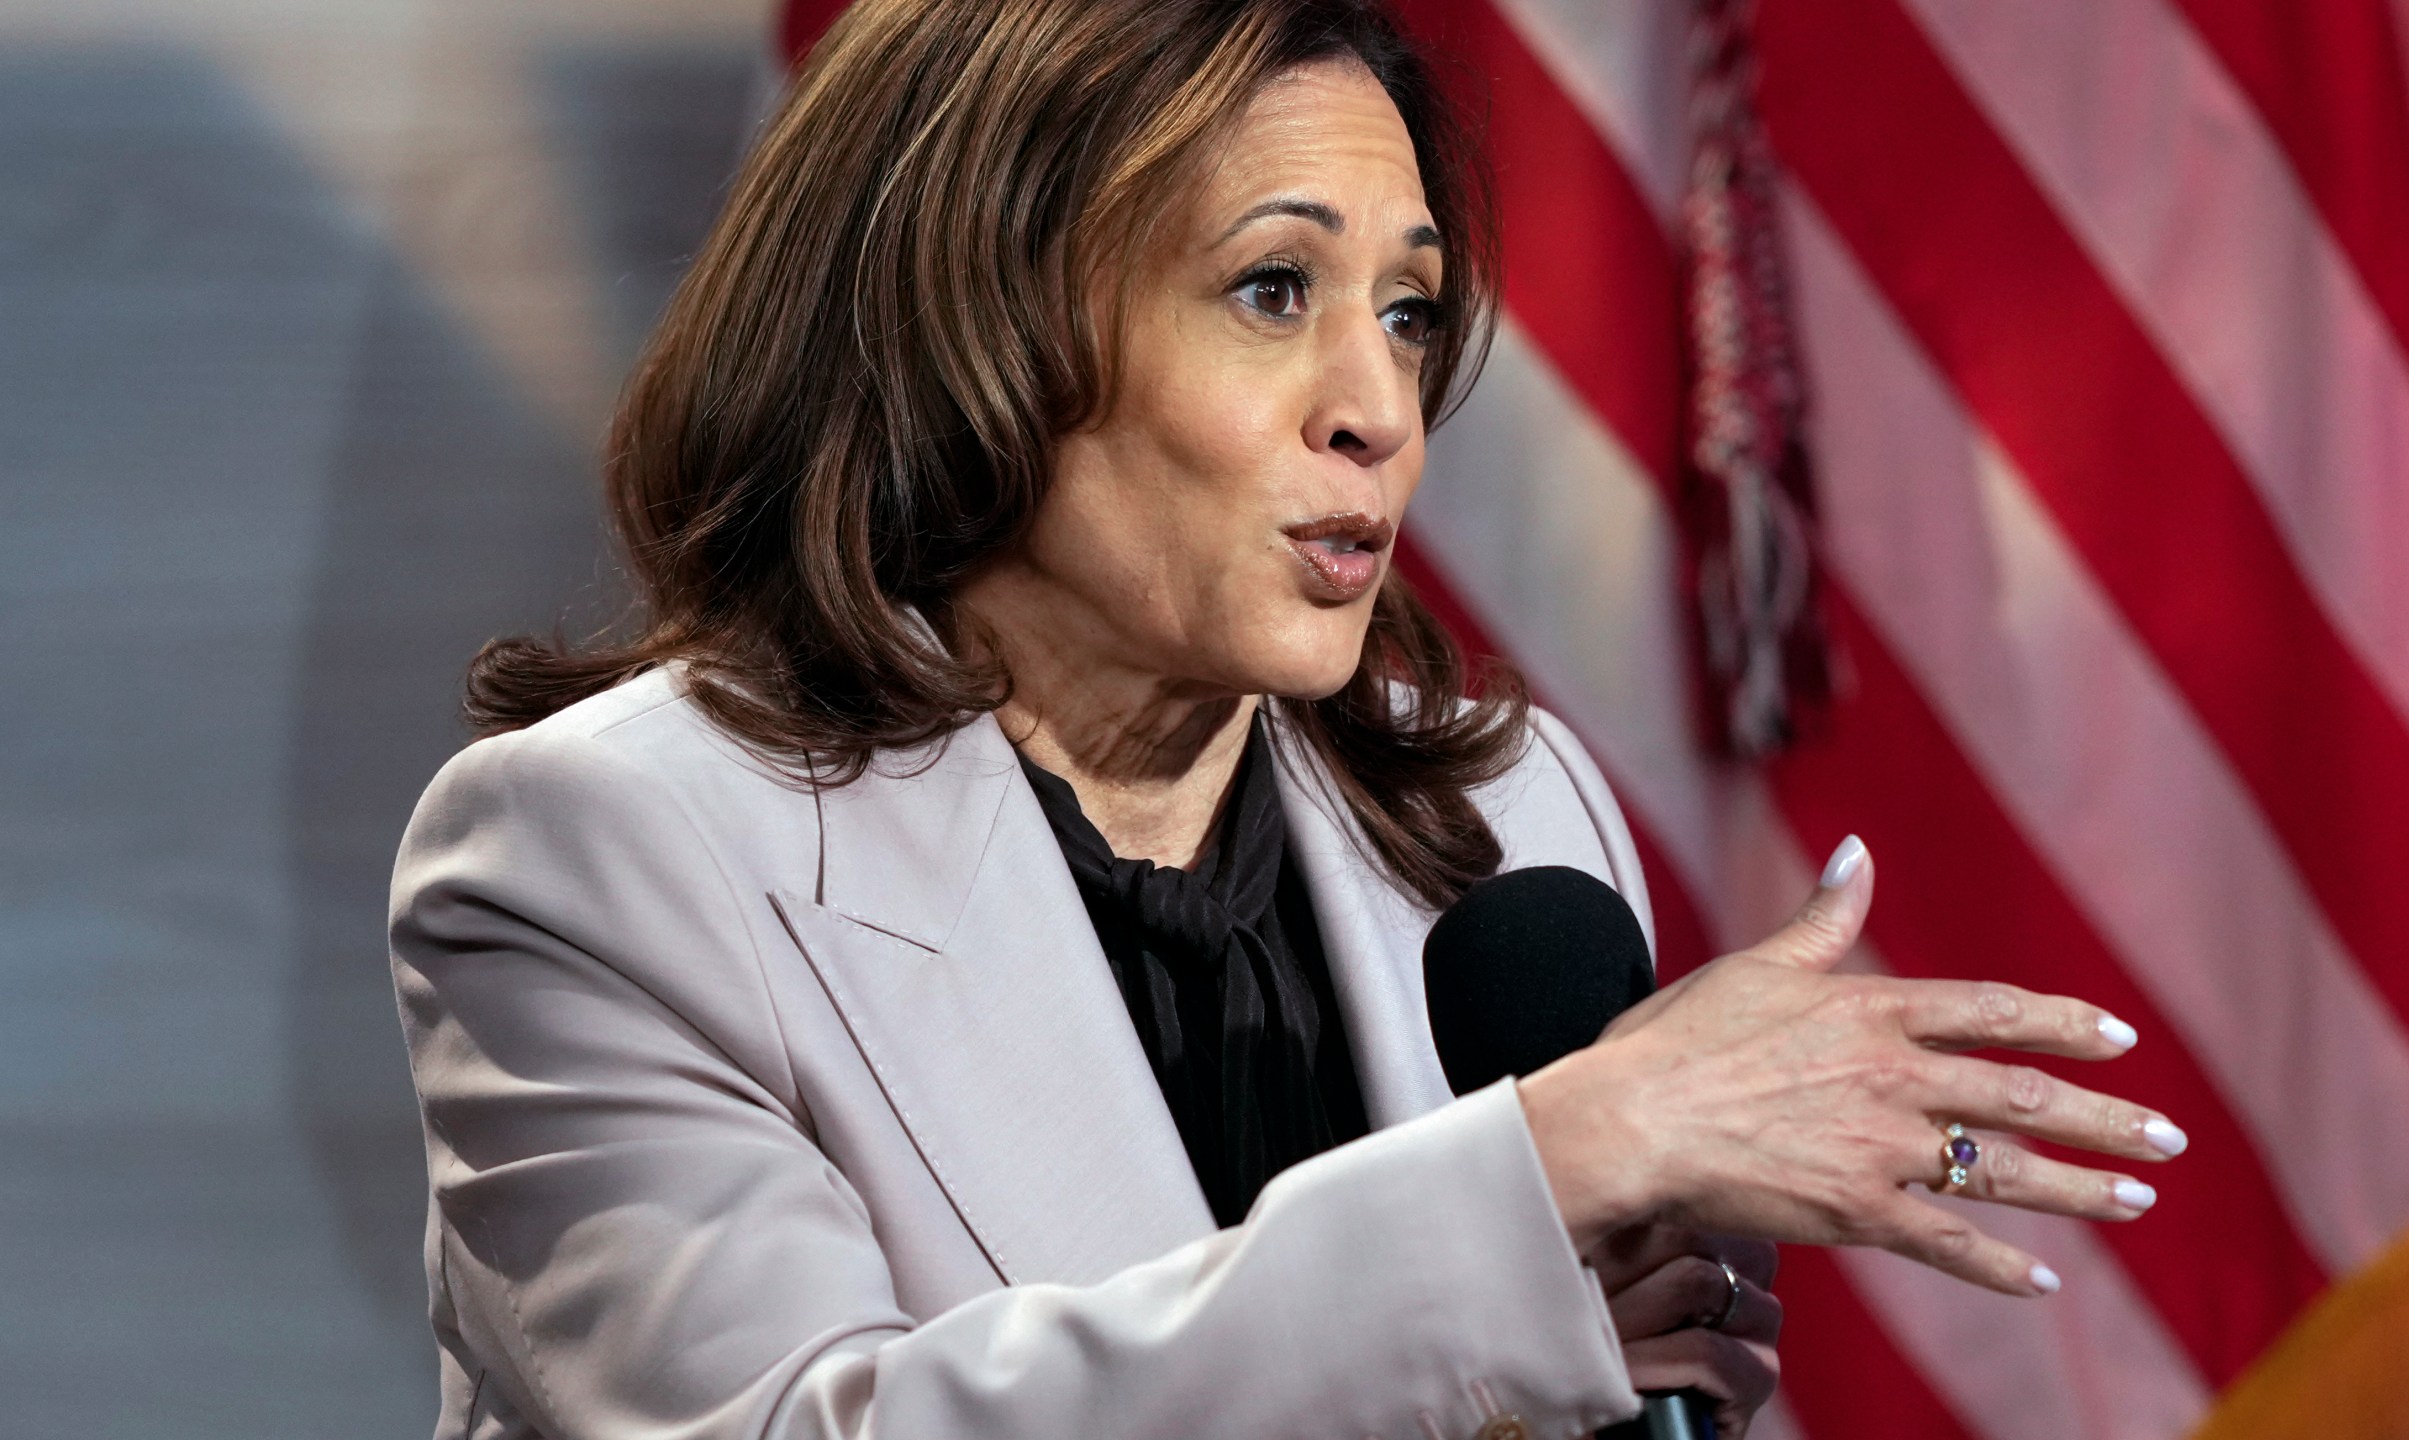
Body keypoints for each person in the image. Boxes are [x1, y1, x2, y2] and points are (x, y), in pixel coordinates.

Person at [388, 2, 2181, 1436]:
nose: (1380, 409)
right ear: (974, 325)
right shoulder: (602, 861)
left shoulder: (1511, 815)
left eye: (1407, 311)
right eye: (1273, 292)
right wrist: (1549, 1173)